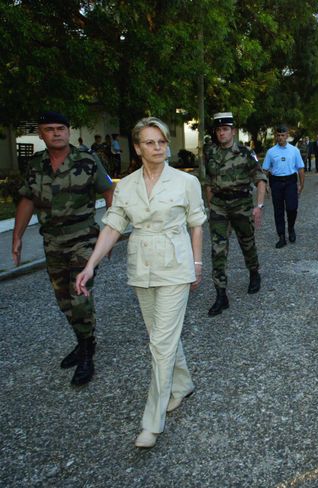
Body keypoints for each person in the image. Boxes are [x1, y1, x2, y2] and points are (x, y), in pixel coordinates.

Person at [75, 117, 206, 449]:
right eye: (150, 142)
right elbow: (113, 226)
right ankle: (183, 384)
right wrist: (90, 265)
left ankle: (152, 421)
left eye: (162, 141)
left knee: (160, 343)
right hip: (141, 267)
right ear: (137, 147)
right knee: (160, 334)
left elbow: (196, 225)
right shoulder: (127, 186)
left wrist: (197, 262)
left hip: (176, 267)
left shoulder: (185, 182)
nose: (158, 147)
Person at [12, 111, 114, 386]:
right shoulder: (34, 165)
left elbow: (109, 193)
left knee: (79, 296)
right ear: (41, 134)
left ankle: (86, 354)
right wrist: (17, 236)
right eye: (49, 129)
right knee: (64, 301)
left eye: (60, 128)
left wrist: (110, 234)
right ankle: (85, 341)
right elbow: (27, 200)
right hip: (52, 242)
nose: (56, 133)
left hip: (84, 241)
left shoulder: (88, 160)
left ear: (68, 131)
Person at [203, 112, 268, 317]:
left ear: (233, 131)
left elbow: (260, 179)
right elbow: (209, 183)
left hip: (241, 204)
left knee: (247, 242)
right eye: (219, 130)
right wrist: (210, 205)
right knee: (218, 249)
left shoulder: (245, 153)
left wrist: (259, 205)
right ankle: (221, 295)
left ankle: (254, 272)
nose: (222, 133)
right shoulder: (210, 153)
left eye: (225, 129)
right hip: (219, 206)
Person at [262, 124, 305, 248]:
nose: (280, 138)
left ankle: (291, 228)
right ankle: (281, 236)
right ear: (276, 136)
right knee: (278, 210)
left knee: (292, 208)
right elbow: (265, 170)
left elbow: (301, 168)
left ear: (287, 136)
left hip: (291, 181)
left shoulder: (294, 150)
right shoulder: (271, 152)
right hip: (276, 182)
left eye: (283, 135)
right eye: (278, 135)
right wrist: (265, 185)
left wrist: (301, 185)